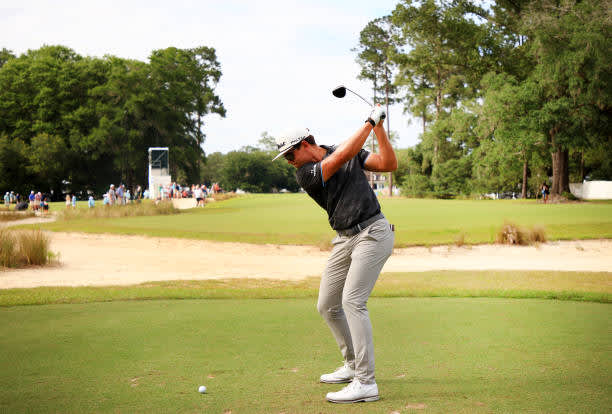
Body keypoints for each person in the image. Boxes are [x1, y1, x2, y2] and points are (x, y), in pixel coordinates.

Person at [272, 105, 395, 404]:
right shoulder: (306, 173)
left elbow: (388, 163)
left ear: (305, 144)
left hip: (373, 232)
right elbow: (340, 158)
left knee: (352, 301)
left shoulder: (345, 150)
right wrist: (369, 121)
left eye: (290, 154)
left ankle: (365, 382)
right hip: (344, 239)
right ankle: (352, 365)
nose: (289, 162)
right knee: (327, 305)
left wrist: (378, 128)